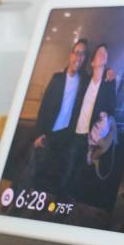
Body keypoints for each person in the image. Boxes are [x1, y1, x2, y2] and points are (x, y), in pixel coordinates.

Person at [31, 39, 88, 193]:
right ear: (71, 55)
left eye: (83, 54)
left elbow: (98, 82)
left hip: (66, 136)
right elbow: (44, 107)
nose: (79, 57)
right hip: (48, 133)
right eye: (77, 53)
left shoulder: (83, 81)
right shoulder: (57, 78)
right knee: (36, 173)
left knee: (55, 175)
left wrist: (109, 77)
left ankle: (46, 208)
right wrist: (38, 133)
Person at [63, 44, 117, 203]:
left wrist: (112, 81)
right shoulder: (84, 80)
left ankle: (71, 205)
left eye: (105, 53)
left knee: (82, 173)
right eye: (99, 52)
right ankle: (60, 201)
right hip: (76, 133)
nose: (103, 54)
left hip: (91, 138)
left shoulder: (108, 84)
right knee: (68, 168)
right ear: (92, 62)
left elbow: (112, 108)